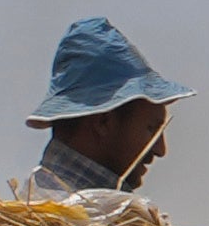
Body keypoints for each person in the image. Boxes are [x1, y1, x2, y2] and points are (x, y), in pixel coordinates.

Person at [26, 18, 186, 199]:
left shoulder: (46, 203)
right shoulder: (69, 211)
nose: (160, 150)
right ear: (103, 122)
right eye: (151, 129)